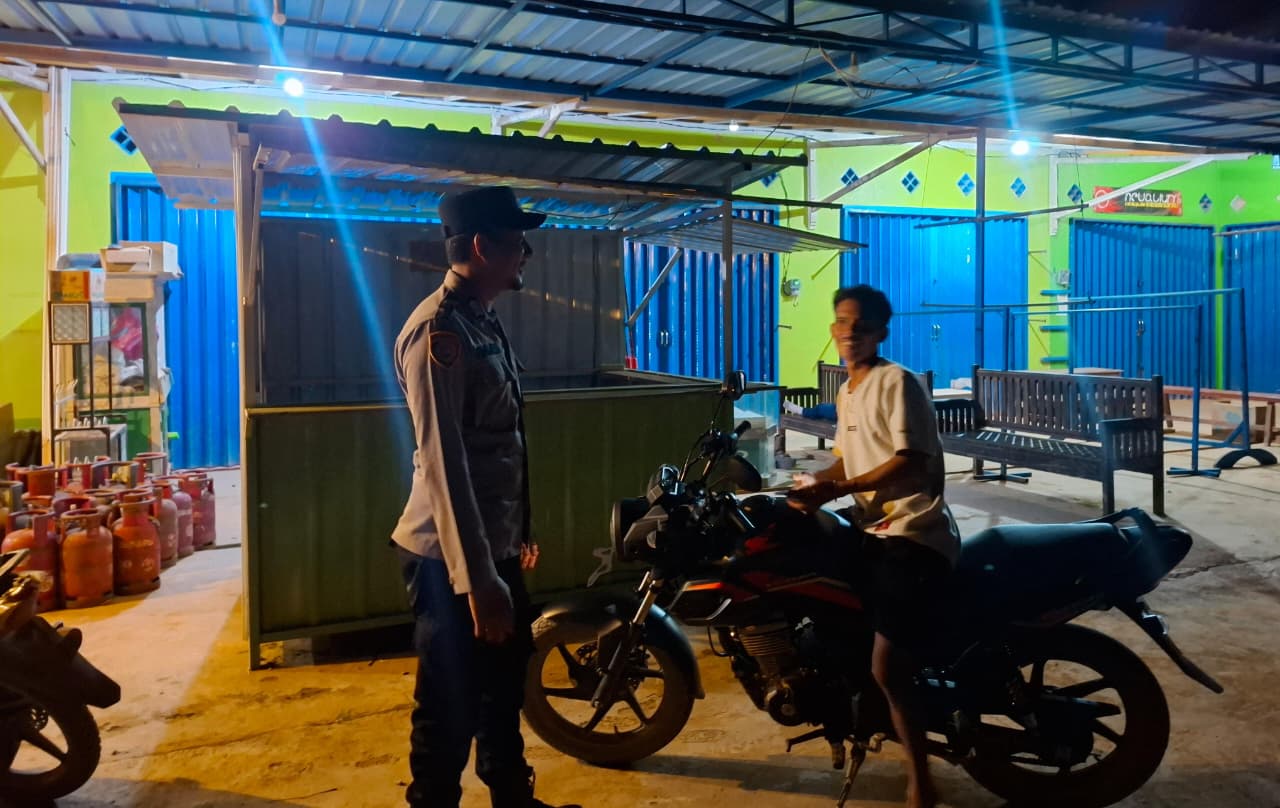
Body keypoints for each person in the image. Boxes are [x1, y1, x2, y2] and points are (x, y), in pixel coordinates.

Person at [391, 186, 573, 808]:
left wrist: (517, 537)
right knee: (450, 700)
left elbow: (502, 444)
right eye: (517, 240)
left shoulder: (480, 319)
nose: (526, 252)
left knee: (502, 684)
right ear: (481, 246)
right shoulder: (439, 331)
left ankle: (511, 797)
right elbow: (445, 462)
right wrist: (477, 581)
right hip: (447, 559)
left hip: (490, 548)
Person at [787, 284, 961, 808]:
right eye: (842, 321)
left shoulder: (896, 382)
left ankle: (921, 782)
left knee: (888, 664)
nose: (850, 332)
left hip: (912, 532)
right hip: (871, 529)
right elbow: (849, 459)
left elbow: (911, 460)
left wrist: (836, 489)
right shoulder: (848, 390)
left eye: (861, 324)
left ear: (881, 331)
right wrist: (810, 484)